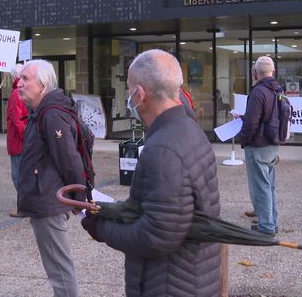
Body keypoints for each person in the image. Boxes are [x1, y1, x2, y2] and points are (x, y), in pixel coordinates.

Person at [81, 49, 222, 297]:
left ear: (140, 94)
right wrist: (118, 211)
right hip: (192, 276)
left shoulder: (163, 149)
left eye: (129, 89)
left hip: (169, 284)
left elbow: (156, 236)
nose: (128, 96)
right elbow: (166, 211)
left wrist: (101, 227)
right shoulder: (190, 131)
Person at [16, 59, 85, 297]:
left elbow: (69, 159)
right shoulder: (42, 112)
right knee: (57, 266)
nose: (19, 84)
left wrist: (79, 196)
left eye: (26, 79)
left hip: (49, 201)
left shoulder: (51, 114)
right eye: (20, 78)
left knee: (59, 268)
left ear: (43, 85)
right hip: (46, 199)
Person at [236, 56, 280, 237]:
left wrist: (243, 139)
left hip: (258, 146)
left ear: (255, 72)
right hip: (272, 144)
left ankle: (266, 227)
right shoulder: (277, 90)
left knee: (260, 187)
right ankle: (272, 222)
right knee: (269, 187)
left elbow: (252, 123)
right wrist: (243, 117)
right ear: (273, 71)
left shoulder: (258, 92)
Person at [6, 63, 28, 216]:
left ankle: (24, 206)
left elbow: (16, 119)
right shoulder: (24, 91)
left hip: (18, 140)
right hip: (22, 138)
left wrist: (23, 138)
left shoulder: (16, 93)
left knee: (18, 176)